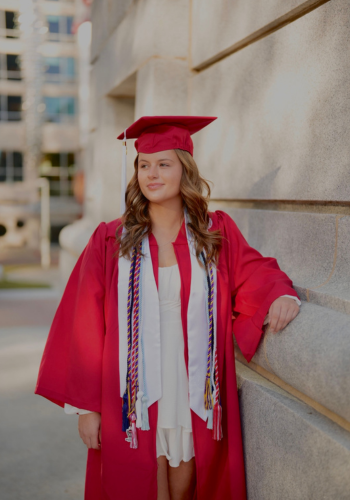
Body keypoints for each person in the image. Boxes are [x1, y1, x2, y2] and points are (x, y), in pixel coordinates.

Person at [35, 115, 301, 500]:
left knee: (186, 488)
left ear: (185, 171)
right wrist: (87, 408)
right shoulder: (111, 239)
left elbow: (253, 272)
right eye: (144, 165)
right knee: (140, 481)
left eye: (163, 164)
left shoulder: (213, 232)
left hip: (191, 384)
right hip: (132, 391)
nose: (151, 174)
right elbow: (84, 323)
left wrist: (280, 294)